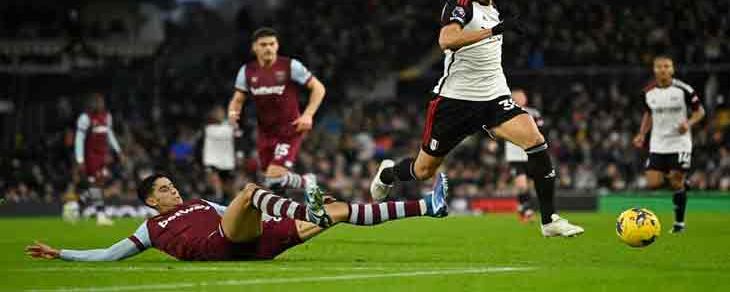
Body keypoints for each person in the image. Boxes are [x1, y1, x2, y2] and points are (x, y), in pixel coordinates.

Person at [369, 0, 583, 237]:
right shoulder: (461, 4)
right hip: (455, 102)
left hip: (494, 97)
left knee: (535, 140)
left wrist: (497, 28)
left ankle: (549, 220)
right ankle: (388, 174)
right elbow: (447, 40)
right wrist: (494, 31)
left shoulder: (494, 11)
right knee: (423, 171)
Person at [25, 172, 448, 262]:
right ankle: (308, 209)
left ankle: (428, 207)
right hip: (221, 245)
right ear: (151, 202)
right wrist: (59, 252)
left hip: (252, 243)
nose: (173, 189)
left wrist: (265, 212)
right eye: (164, 189)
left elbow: (240, 214)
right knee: (248, 191)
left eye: (173, 184)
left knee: (338, 211)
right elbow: (107, 254)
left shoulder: (201, 206)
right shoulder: (149, 228)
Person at [228, 27, 326, 192]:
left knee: (275, 175)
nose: (268, 48)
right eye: (263, 44)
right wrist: (232, 114)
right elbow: (237, 99)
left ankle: (308, 182)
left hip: (289, 129)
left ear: (277, 45)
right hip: (264, 133)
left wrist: (308, 115)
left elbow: (319, 88)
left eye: (272, 44)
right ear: (254, 48)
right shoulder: (246, 71)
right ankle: (284, 213)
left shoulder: (290, 66)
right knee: (272, 182)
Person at [632, 55, 705, 233]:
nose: (663, 70)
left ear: (672, 69)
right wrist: (642, 134)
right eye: (659, 67)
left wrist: (688, 123)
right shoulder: (648, 93)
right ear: (654, 70)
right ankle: (680, 182)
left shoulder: (684, 89)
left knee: (675, 181)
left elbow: (700, 112)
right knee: (652, 183)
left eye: (666, 66)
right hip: (658, 143)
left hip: (680, 142)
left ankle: (679, 224)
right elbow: (648, 114)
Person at [74, 93, 122, 226]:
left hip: (103, 156)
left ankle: (78, 206)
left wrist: (118, 150)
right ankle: (101, 215)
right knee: (96, 185)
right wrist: (80, 159)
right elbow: (79, 139)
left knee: (98, 184)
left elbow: (109, 134)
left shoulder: (107, 116)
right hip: (90, 156)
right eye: (97, 102)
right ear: (92, 103)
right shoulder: (85, 118)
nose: (100, 104)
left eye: (101, 102)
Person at [504, 89, 543, 223]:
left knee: (530, 186)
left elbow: (540, 130)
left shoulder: (533, 113)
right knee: (521, 185)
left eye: (522, 96)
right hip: (515, 156)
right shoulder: (506, 112)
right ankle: (527, 212)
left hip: (531, 154)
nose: (520, 98)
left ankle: (522, 207)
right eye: (517, 96)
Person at [199, 106, 237, 204]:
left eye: (221, 112)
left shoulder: (230, 125)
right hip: (212, 160)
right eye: (217, 112)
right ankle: (218, 196)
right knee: (215, 178)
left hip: (226, 161)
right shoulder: (207, 127)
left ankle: (232, 201)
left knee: (229, 185)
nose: (219, 114)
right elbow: (201, 144)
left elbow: (237, 138)